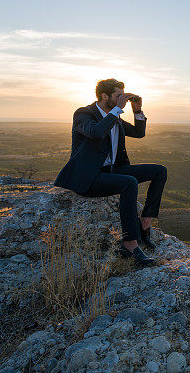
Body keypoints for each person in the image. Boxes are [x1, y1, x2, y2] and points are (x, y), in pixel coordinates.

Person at [54, 78, 167, 266]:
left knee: (159, 171)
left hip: (113, 170)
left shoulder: (115, 117)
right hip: (89, 177)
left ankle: (145, 224)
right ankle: (129, 245)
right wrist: (117, 111)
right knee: (129, 182)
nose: (121, 99)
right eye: (118, 96)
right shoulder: (84, 114)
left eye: (123, 95)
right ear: (104, 96)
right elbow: (96, 132)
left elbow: (139, 133)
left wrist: (137, 110)